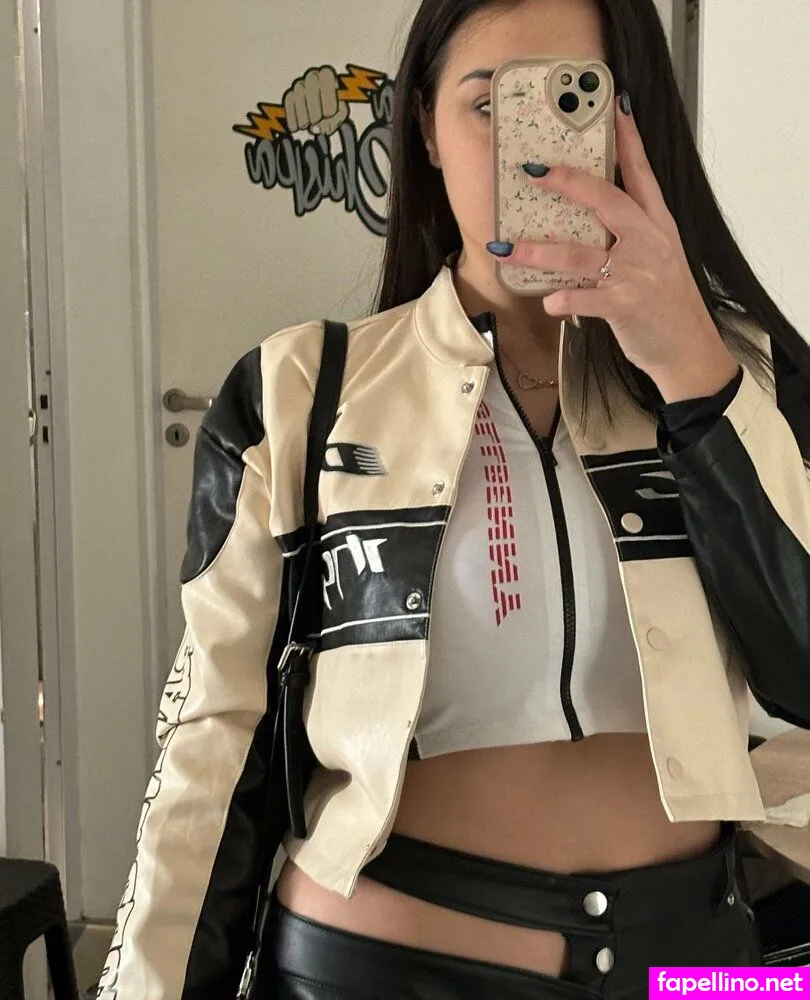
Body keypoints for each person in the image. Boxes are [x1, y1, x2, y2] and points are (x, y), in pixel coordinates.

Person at [97, 0, 810, 998]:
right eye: (490, 106)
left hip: (690, 970)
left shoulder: (748, 379)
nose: (534, 156)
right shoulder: (299, 392)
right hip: (378, 967)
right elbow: (213, 744)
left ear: (631, 120)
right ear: (425, 129)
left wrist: (695, 371)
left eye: (571, 102)